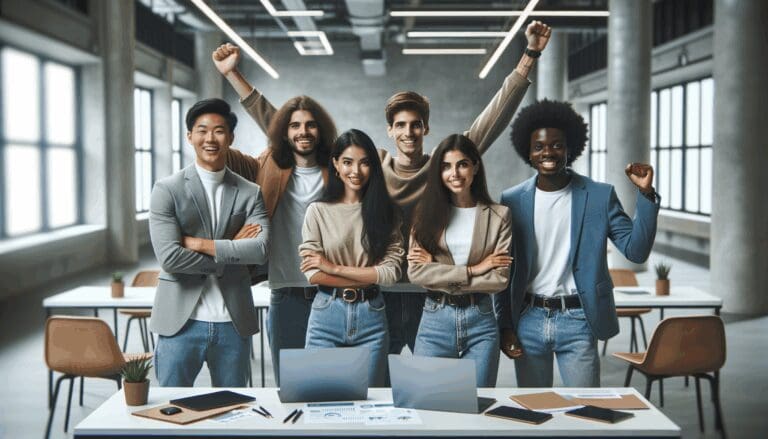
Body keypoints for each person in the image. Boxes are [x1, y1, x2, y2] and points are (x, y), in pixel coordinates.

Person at [216, 20, 552, 358]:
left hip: (428, 295)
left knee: (429, 390)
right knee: (380, 396)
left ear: (426, 129)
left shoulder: (442, 166)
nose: (409, 133)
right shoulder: (373, 166)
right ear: (390, 131)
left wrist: (529, 56)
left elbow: (488, 124)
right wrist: (236, 79)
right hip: (381, 295)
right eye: (401, 126)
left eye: (416, 126)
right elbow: (298, 136)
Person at [496, 99, 660, 387]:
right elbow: (504, 271)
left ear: (570, 148)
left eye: (557, 145)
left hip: (578, 319)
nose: (548, 152)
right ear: (528, 152)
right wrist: (505, 326)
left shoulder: (599, 196)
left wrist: (645, 196)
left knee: (587, 409)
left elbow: (636, 250)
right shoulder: (511, 200)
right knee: (536, 410)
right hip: (528, 320)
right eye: (539, 146)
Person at [212, 45, 338, 385]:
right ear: (285, 131)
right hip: (285, 293)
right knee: (292, 384)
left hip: (333, 292)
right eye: (295, 125)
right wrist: (232, 75)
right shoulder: (270, 165)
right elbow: (269, 116)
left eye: (311, 125)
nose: (303, 131)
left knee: (334, 384)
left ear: (321, 130)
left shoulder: (339, 167)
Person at [149, 98, 270, 387]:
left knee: (234, 412)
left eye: (219, 130)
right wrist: (231, 248)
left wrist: (202, 244)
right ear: (189, 136)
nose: (210, 138)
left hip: (233, 323)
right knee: (171, 410)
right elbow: (170, 258)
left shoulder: (250, 192)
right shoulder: (167, 189)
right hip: (180, 322)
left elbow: (261, 250)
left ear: (230, 137)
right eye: (202, 130)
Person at [298, 129, 404, 387]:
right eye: (347, 162)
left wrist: (332, 266)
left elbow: (391, 274)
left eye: (364, 162)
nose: (355, 171)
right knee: (319, 398)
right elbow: (313, 274)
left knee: (372, 403)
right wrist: (369, 276)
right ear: (335, 164)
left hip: (372, 317)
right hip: (326, 315)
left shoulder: (387, 213)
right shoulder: (317, 211)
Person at [407, 134, 513, 387]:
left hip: (481, 321)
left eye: (462, 164)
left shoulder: (500, 215)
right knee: (427, 400)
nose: (454, 173)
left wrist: (437, 270)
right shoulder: (424, 214)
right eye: (446, 166)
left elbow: (498, 279)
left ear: (475, 166)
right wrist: (475, 270)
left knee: (479, 403)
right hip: (435, 321)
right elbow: (417, 274)